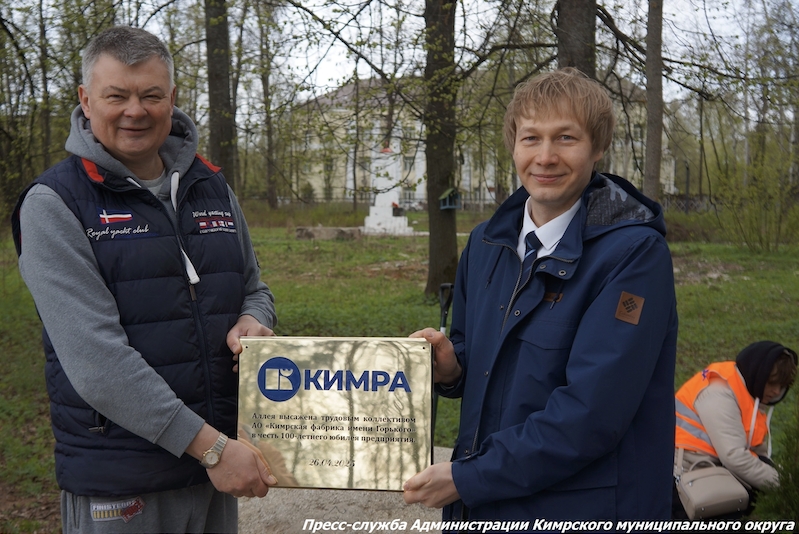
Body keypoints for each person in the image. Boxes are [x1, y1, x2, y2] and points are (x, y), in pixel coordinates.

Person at [11, 26, 278, 534]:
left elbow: (255, 288)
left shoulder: (211, 186)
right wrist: (211, 448)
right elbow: (97, 362)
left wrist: (254, 318)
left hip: (216, 470)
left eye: (151, 95)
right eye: (117, 96)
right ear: (86, 100)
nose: (135, 111)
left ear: (172, 99)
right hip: (126, 480)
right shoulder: (54, 204)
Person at [403, 68, 679, 527]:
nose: (545, 157)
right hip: (485, 509)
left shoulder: (633, 256)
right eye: (531, 138)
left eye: (566, 138)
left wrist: (469, 477)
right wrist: (453, 367)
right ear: (514, 146)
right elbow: (480, 351)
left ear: (597, 147)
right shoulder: (486, 244)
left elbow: (592, 414)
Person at [673, 341, 798, 518]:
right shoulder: (718, 393)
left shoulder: (747, 391)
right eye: (772, 383)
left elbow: (755, 451)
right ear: (758, 375)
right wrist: (784, 485)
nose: (776, 391)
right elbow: (734, 457)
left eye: (782, 385)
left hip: (713, 463)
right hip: (690, 472)